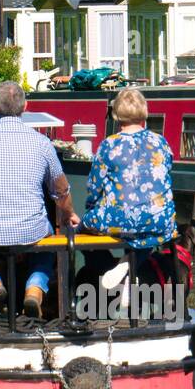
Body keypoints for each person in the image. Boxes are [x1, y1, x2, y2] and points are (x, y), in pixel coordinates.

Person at [0, 81, 78, 317]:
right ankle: (34, 289)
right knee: (49, 247)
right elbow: (60, 191)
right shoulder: (42, 143)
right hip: (32, 230)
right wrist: (68, 213)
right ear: (25, 107)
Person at [78, 88, 178, 288]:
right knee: (148, 232)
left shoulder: (108, 145)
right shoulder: (161, 142)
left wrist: (90, 209)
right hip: (162, 220)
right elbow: (167, 174)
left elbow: (94, 187)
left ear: (116, 114)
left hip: (119, 220)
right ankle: (130, 271)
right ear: (144, 112)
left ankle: (112, 268)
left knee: (78, 230)